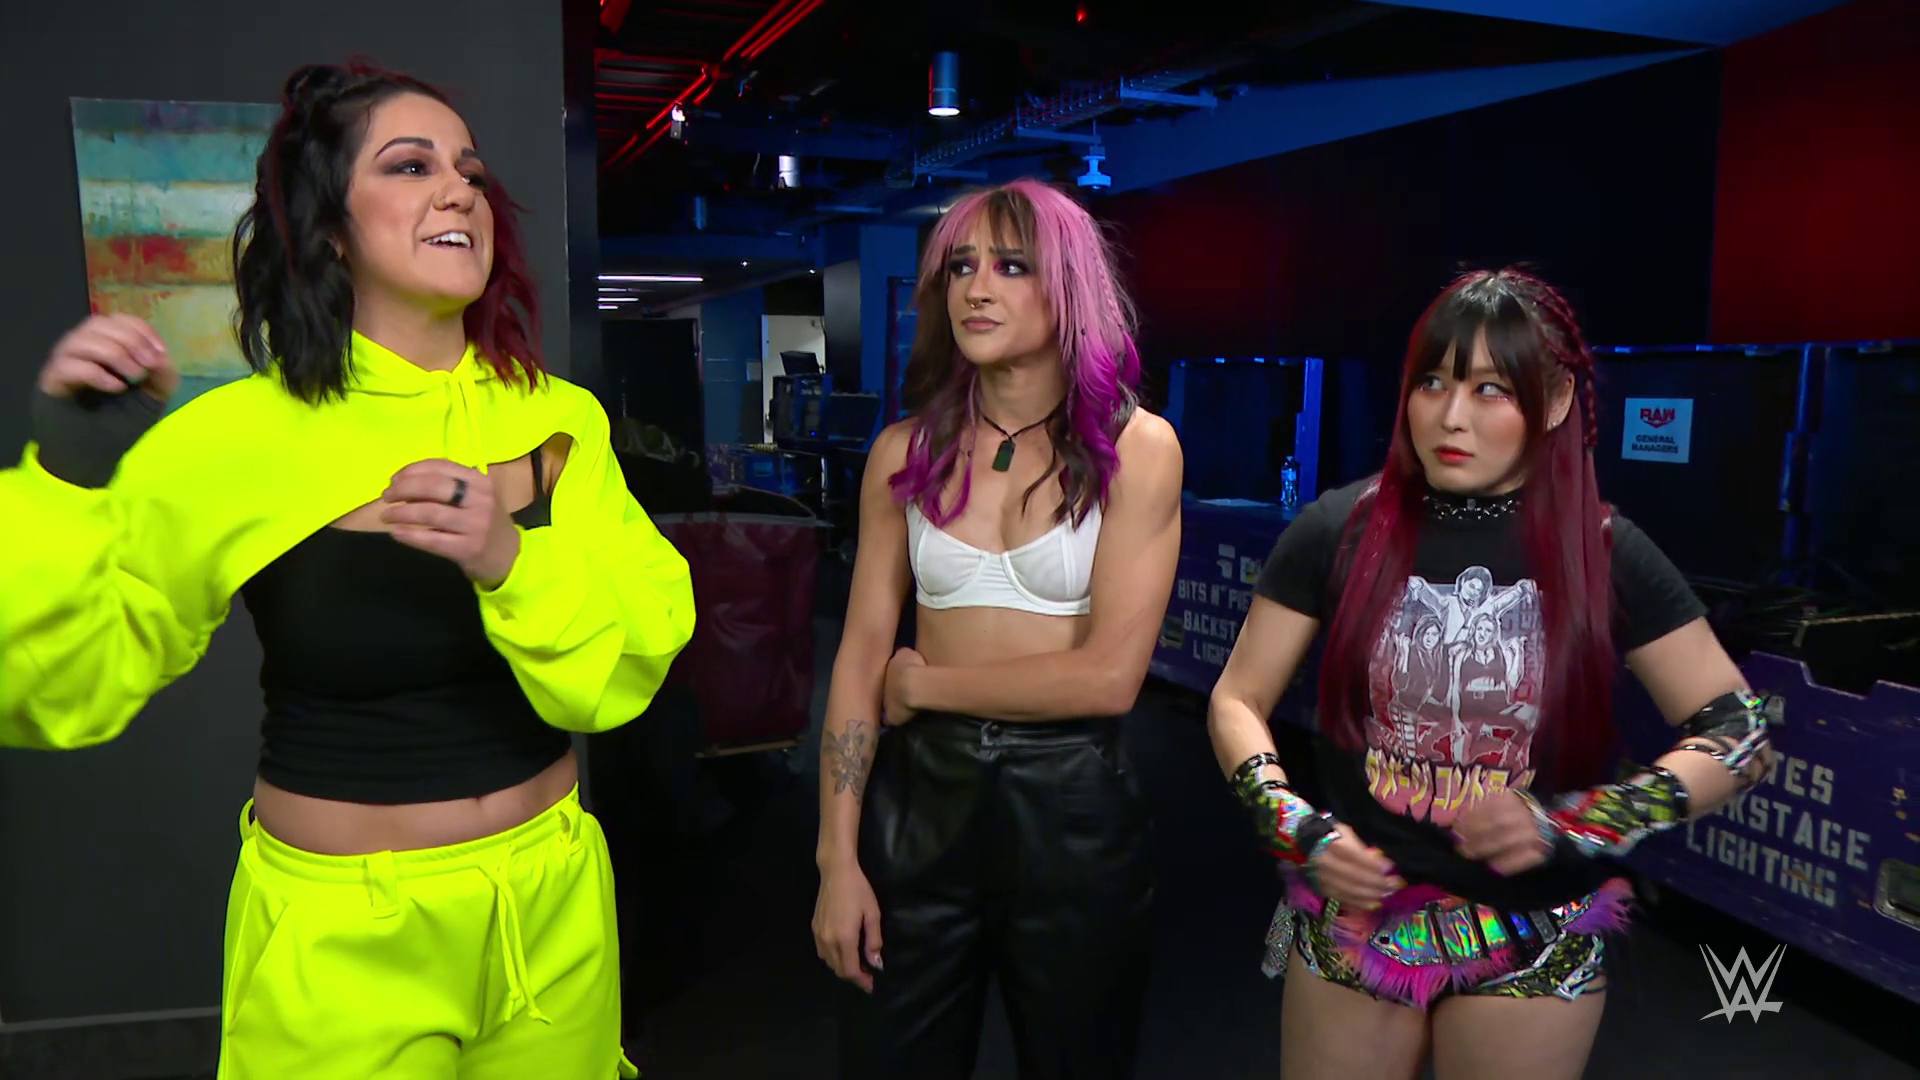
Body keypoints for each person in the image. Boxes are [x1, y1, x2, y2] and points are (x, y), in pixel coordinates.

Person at [0, 63, 695, 1079]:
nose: (458, 190)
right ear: (329, 226)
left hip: (554, 911)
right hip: (346, 940)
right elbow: (53, 682)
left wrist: (509, 561)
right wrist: (66, 473)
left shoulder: (558, 418)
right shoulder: (237, 437)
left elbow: (635, 652)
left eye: (468, 170)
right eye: (411, 167)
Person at [1207, 268, 1775, 1080]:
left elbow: (1740, 732)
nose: (1451, 417)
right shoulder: (1340, 528)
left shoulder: (1604, 552)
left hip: (1534, 934)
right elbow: (1238, 696)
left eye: (1490, 390)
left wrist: (1582, 821)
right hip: (1360, 919)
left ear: (1554, 402)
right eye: (1433, 383)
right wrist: (1292, 825)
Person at [810, 178, 1183, 1080]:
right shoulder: (904, 452)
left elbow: (1107, 680)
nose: (977, 289)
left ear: (1068, 287)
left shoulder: (1139, 450)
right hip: (920, 801)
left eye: (1012, 267)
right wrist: (836, 859)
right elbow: (860, 659)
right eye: (961, 268)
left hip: (1072, 806)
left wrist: (923, 684)